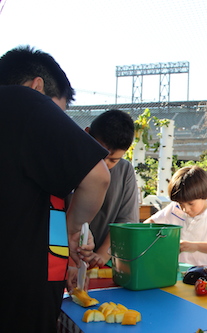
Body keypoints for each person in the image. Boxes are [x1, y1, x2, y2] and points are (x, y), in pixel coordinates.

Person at [0, 45, 110, 332]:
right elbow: (97, 177)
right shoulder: (23, 100)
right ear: (37, 87)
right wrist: (72, 228)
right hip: (17, 299)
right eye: (57, 111)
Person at [77, 109, 139, 270]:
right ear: (86, 134)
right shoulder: (68, 163)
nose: (103, 165)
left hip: (103, 263)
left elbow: (125, 221)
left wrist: (102, 256)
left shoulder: (125, 171)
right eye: (99, 154)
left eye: (113, 160)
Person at [144, 165, 207, 273]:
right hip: (177, 273)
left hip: (206, 277)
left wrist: (196, 246)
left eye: (191, 204)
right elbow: (149, 223)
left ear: (205, 196)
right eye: (181, 203)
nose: (185, 209)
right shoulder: (174, 208)